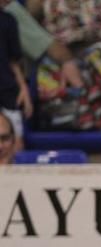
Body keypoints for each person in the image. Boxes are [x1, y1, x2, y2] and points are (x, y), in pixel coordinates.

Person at [0, 6, 31, 148]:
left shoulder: (8, 20)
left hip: (7, 89)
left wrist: (23, 88)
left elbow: (14, 60)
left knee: (16, 140)